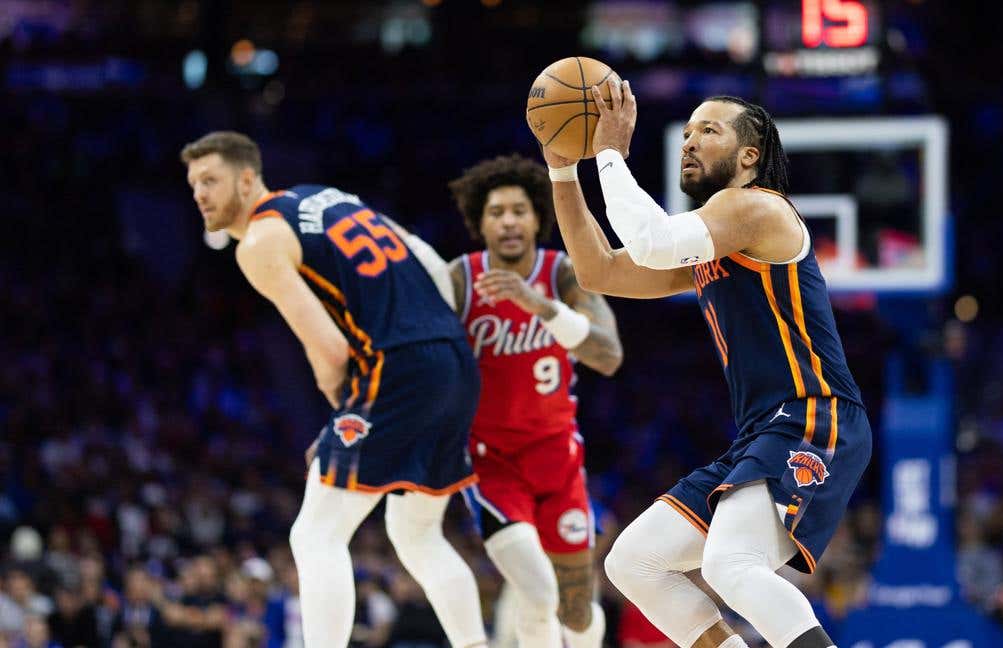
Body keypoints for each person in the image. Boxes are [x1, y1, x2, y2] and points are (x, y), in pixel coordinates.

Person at [538, 81, 872, 648]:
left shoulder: (755, 208)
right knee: (634, 562)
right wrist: (563, 172)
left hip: (814, 415)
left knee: (731, 563)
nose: (690, 141)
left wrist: (612, 151)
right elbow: (599, 272)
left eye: (709, 131)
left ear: (750, 156)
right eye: (687, 132)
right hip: (761, 431)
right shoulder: (712, 244)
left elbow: (650, 241)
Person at [180, 131, 487, 648]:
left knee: (315, 533)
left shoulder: (259, 243)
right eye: (193, 186)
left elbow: (329, 350)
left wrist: (344, 420)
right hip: (453, 359)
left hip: (397, 368)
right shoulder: (324, 196)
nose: (201, 194)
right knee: (416, 535)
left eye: (211, 180)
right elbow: (427, 257)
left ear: (249, 177)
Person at [446, 154, 623, 648]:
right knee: (535, 590)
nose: (508, 221)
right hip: (491, 463)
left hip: (557, 458)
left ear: (537, 217)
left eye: (519, 210)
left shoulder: (560, 273)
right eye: (496, 211)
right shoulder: (459, 279)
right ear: (480, 222)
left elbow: (609, 356)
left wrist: (541, 307)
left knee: (575, 607)